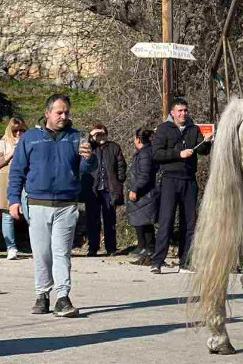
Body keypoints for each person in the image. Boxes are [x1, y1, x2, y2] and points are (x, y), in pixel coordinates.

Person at [7, 94, 96, 317]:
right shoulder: (30, 138)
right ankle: (42, 295)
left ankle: (63, 298)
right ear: (47, 113)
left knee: (62, 253)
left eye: (66, 112)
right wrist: (13, 200)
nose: (63, 116)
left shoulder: (76, 137)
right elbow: (17, 170)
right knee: (41, 253)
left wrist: (89, 158)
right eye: (59, 112)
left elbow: (86, 169)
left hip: (66, 205)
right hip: (37, 204)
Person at [150, 97, 211, 274]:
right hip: (169, 179)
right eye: (180, 111)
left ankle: (185, 262)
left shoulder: (193, 129)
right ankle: (157, 262)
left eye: (185, 110)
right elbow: (157, 154)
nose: (183, 113)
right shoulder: (163, 129)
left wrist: (207, 142)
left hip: (189, 180)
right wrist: (179, 154)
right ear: (172, 113)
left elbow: (203, 151)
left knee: (190, 223)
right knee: (166, 221)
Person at [82, 123, 127, 256]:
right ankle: (93, 247)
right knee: (92, 219)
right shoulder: (90, 147)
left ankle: (111, 247)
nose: (101, 136)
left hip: (109, 189)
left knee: (110, 220)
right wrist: (91, 135)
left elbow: (121, 165)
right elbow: (84, 142)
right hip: (92, 189)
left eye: (103, 133)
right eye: (98, 134)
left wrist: (119, 180)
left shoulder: (114, 147)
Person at [0, 117, 27, 260]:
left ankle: (38, 245)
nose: (18, 134)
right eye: (15, 131)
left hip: (26, 180)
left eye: (22, 130)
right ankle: (11, 247)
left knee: (31, 213)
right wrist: (11, 153)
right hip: (6, 179)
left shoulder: (29, 142)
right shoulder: (2, 143)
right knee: (7, 215)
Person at [127, 127, 159, 265]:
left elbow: (145, 175)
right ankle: (145, 254)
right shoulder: (144, 152)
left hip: (145, 195)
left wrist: (134, 189)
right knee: (143, 223)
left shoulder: (145, 153)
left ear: (138, 139)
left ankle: (150, 253)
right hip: (144, 195)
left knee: (145, 225)